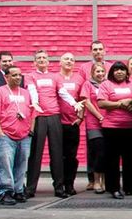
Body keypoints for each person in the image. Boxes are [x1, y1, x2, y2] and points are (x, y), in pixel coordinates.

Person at [25, 49, 81, 198]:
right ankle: (30, 188)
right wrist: (35, 103)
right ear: (34, 62)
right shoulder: (30, 76)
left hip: (55, 116)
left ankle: (59, 187)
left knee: (57, 153)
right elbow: (32, 91)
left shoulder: (54, 77)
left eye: (45, 57)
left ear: (49, 62)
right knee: (36, 153)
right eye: (39, 58)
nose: (42, 60)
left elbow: (62, 93)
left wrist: (74, 103)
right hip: (39, 117)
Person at [0, 66, 35, 205]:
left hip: (24, 135)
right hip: (6, 135)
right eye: (14, 75)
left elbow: (33, 113)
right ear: (6, 77)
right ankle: (5, 192)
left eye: (20, 75)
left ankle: (18, 190)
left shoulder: (26, 93)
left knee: (21, 164)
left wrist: (30, 130)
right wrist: (0, 133)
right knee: (5, 165)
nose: (18, 77)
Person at [97, 61, 132, 200]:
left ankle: (129, 188)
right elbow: (101, 103)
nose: (119, 72)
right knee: (112, 160)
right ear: (112, 72)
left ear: (126, 72)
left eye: (122, 69)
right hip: (111, 128)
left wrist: (131, 101)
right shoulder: (106, 84)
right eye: (116, 70)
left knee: (130, 159)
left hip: (130, 128)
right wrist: (121, 104)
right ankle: (114, 188)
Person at [55, 52, 90, 197]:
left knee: (71, 156)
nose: (69, 61)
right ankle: (58, 184)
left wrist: (81, 118)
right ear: (60, 62)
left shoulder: (79, 79)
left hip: (72, 123)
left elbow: (84, 99)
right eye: (66, 59)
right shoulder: (55, 78)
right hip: (57, 123)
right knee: (58, 156)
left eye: (72, 59)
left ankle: (69, 183)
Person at [82, 62, 106, 193]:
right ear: (92, 73)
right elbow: (87, 102)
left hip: (109, 123)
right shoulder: (88, 84)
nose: (100, 74)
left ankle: (104, 181)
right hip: (94, 124)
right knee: (98, 152)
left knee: (106, 152)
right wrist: (99, 116)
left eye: (102, 71)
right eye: (97, 71)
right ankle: (96, 181)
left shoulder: (108, 84)